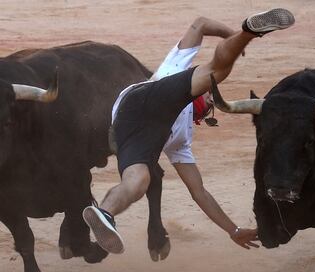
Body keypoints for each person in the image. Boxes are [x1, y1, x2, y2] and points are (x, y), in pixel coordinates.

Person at [83, 8, 295, 254]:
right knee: (217, 73)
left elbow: (199, 192)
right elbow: (201, 23)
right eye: (211, 98)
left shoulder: (181, 141)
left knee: (138, 182)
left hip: (130, 132)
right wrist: (232, 34)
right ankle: (248, 31)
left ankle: (104, 214)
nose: (212, 101)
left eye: (211, 105)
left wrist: (233, 230)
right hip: (143, 100)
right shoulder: (176, 64)